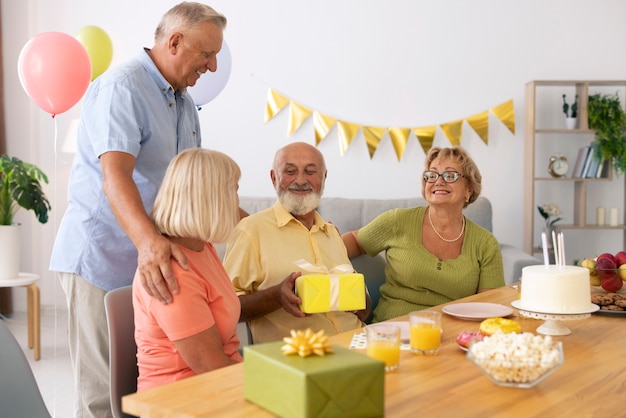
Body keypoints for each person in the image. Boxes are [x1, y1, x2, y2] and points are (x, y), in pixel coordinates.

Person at [49, 3, 228, 416]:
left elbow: (191, 188)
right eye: (207, 54)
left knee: (135, 389)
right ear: (175, 41)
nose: (214, 67)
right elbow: (116, 177)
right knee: (101, 396)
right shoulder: (122, 87)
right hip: (103, 259)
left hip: (151, 267)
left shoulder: (183, 101)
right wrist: (150, 245)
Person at [223, 142, 371, 344]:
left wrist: (361, 301)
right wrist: (276, 297)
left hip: (359, 342)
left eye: (310, 172)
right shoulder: (251, 230)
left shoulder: (331, 233)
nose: (301, 180)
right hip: (302, 356)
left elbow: (363, 306)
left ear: (324, 178)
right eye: (290, 171)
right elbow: (225, 308)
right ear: (274, 178)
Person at [342, 146, 504, 322]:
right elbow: (353, 241)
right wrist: (339, 274)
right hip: (391, 331)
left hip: (452, 335)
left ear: (469, 190)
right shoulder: (397, 221)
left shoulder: (486, 243)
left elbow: (489, 308)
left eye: (450, 175)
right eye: (432, 175)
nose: (438, 182)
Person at [133, 148, 243, 392]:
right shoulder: (174, 271)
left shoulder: (203, 248)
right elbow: (210, 366)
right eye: (234, 191)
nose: (238, 202)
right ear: (212, 199)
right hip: (182, 397)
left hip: (219, 384)